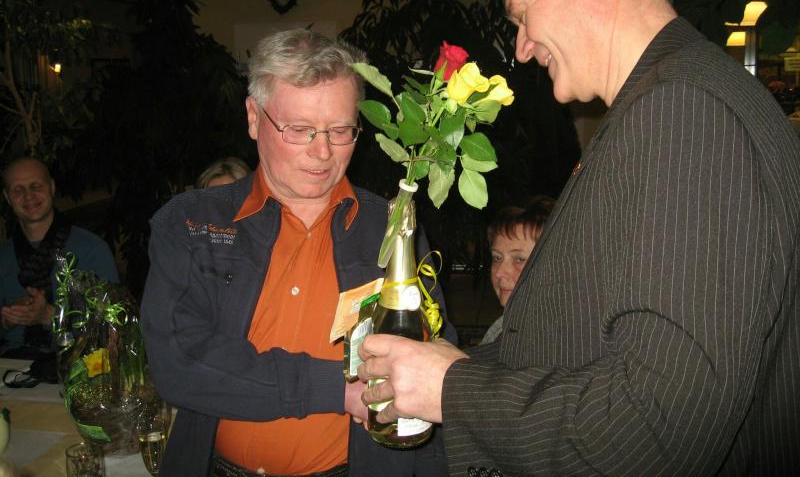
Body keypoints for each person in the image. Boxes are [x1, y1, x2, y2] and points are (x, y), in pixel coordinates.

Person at [358, 0, 800, 476]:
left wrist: (453, 388)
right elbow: (591, 330)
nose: (521, 47)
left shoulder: (683, 111)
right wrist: (458, 364)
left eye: (522, 15)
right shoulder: (669, 99)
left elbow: (657, 429)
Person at [140, 29, 456, 477]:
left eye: (340, 130)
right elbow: (178, 364)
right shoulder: (192, 224)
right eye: (300, 129)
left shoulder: (393, 227)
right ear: (254, 118)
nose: (322, 152)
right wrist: (337, 390)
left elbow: (435, 354)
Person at [0, 157, 118, 358]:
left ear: (52, 188)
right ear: (7, 197)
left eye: (36, 186)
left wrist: (50, 316)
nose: (28, 196)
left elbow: (112, 329)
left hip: (78, 366)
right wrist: (7, 320)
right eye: (18, 190)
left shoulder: (92, 249)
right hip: (11, 366)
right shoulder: (4, 256)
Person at [480, 196, 554, 344]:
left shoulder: (555, 338)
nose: (499, 273)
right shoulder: (506, 324)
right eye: (497, 257)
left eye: (519, 259)